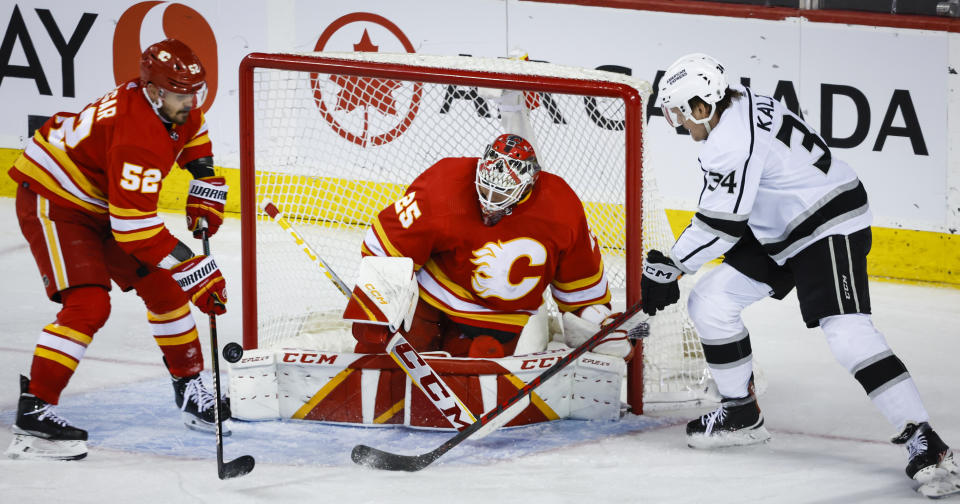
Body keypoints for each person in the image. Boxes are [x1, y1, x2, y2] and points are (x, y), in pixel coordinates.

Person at [645, 52, 956, 489]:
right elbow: (731, 213)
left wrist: (670, 267)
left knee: (847, 332)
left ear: (704, 105)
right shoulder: (741, 102)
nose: (679, 125)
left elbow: (720, 224)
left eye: (681, 113)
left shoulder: (729, 141)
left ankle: (926, 440)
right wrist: (673, 266)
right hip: (781, 224)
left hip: (827, 224)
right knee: (711, 301)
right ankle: (740, 413)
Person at [6, 39, 230, 461]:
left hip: (103, 197)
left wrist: (202, 179)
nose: (190, 102)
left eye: (193, 92)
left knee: (165, 290)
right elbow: (133, 230)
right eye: (181, 94)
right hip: (57, 201)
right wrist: (194, 266)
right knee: (89, 305)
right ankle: (33, 413)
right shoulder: (137, 139)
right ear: (153, 90)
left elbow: (192, 130)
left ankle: (189, 390)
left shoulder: (173, 98)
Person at [350, 96, 631, 360]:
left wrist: (600, 324)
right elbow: (386, 250)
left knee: (476, 373)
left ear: (528, 185)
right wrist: (376, 308)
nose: (489, 203)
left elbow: (581, 289)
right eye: (485, 189)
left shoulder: (561, 207)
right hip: (430, 299)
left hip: (497, 321)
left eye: (500, 195)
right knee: (379, 355)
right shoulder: (444, 184)